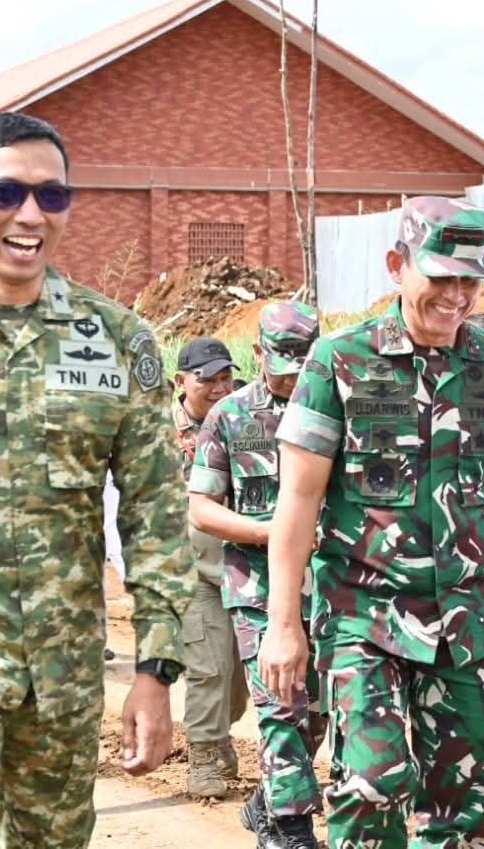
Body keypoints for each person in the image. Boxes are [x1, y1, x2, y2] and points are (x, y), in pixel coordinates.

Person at [0, 111, 193, 846]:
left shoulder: (116, 339)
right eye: (7, 192)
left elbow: (154, 509)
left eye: (51, 197)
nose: (29, 215)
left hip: (63, 673)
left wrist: (156, 667)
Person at [259, 196, 484, 848]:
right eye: (440, 276)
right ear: (397, 264)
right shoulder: (338, 360)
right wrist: (282, 625)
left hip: (468, 615)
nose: (456, 295)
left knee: (468, 798)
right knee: (372, 783)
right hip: (363, 613)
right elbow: (297, 501)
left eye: (470, 280)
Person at [189, 301, 325, 848]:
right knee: (281, 711)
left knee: (318, 716)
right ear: (258, 355)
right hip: (259, 589)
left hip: (333, 590)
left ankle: (267, 802)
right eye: (282, 364)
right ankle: (291, 833)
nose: (292, 377)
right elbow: (202, 506)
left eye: (303, 364)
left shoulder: (344, 409)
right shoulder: (231, 415)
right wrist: (272, 532)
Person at [174, 335, 252, 798]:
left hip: (245, 567)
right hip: (191, 572)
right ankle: (202, 756)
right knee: (208, 669)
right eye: (208, 380)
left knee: (240, 680)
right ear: (181, 381)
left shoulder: (247, 422)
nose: (220, 388)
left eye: (226, 377)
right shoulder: (157, 430)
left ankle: (220, 732)